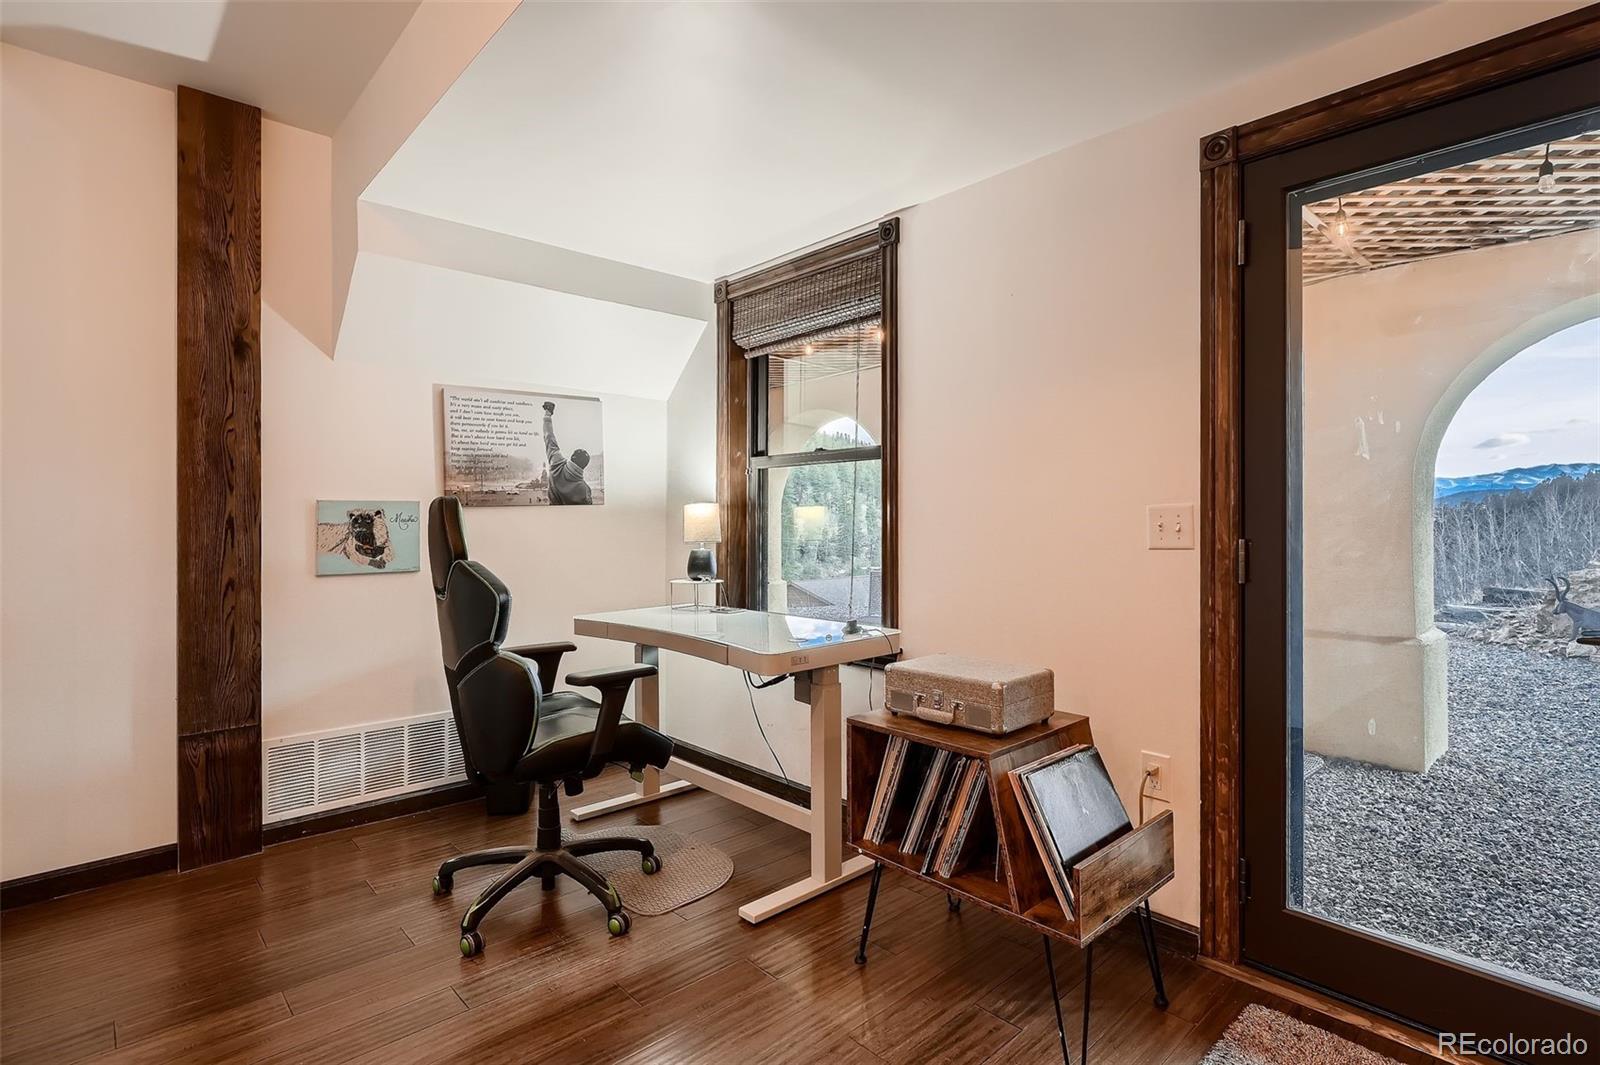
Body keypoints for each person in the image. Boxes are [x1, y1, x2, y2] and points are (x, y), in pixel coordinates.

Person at [542, 401, 593, 505]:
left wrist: (548, 413)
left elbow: (549, 436)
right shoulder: (584, 489)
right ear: (584, 466)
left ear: (572, 457)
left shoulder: (557, 464)